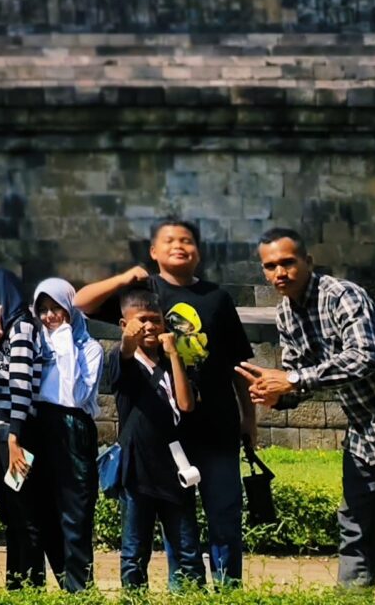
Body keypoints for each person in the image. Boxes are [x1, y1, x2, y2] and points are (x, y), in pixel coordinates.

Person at [240, 228, 375, 600]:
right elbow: (298, 377)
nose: (279, 273)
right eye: (270, 267)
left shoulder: (342, 296)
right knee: (355, 528)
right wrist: (275, 396)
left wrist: (291, 379)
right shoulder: (286, 314)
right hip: (363, 433)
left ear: (308, 262)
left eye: (287, 262)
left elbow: (364, 358)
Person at [75, 218, 258, 584]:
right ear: (153, 252)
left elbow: (238, 364)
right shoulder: (143, 295)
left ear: (199, 251)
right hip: (168, 438)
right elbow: (81, 302)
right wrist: (126, 277)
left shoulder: (217, 298)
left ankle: (228, 588)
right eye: (169, 240)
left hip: (217, 426)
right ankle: (185, 587)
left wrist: (249, 420)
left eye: (187, 240)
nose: (180, 246)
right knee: (179, 523)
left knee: (224, 518)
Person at [112, 283, 209, 592]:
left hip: (175, 470)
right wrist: (128, 342)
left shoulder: (172, 362)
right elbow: (125, 354)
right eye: (141, 319)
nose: (149, 326)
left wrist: (175, 355)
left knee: (188, 550)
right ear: (124, 325)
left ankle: (190, 597)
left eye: (155, 319)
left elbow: (186, 404)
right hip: (138, 470)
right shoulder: (122, 362)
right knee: (134, 553)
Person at [28, 276, 104, 592]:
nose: (49, 317)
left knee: (75, 515)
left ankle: (80, 590)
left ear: (70, 309)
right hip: (39, 426)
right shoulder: (34, 345)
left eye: (56, 308)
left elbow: (74, 395)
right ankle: (64, 583)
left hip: (73, 428)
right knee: (42, 512)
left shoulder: (90, 348)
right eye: (42, 310)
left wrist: (64, 343)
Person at [0, 267, 46, 590]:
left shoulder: (24, 329)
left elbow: (21, 387)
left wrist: (16, 439)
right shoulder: (4, 330)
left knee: (23, 510)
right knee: (10, 512)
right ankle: (14, 586)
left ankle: (30, 587)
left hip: (12, 433)